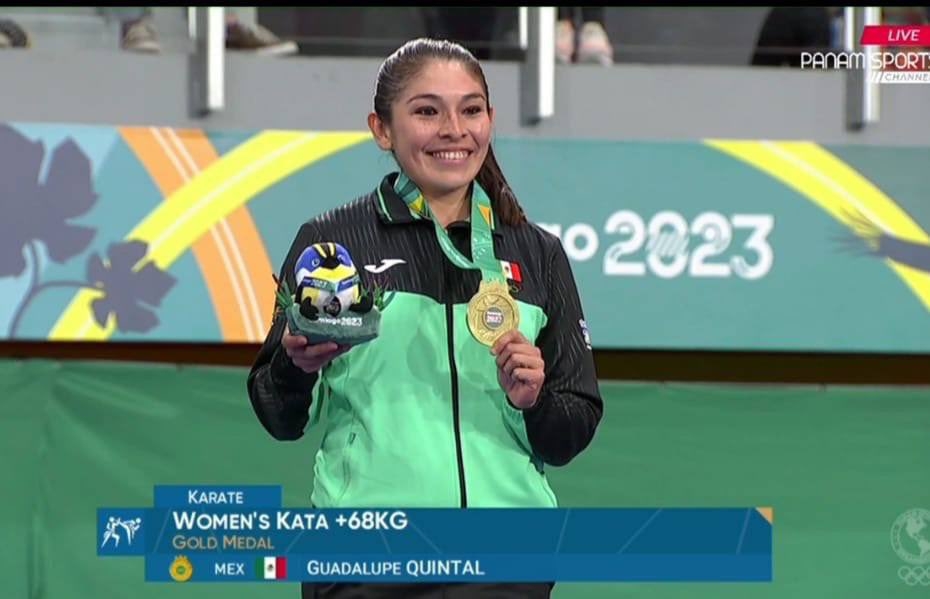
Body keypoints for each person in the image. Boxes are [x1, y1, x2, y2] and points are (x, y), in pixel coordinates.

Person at [247, 37, 604, 599]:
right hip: (365, 554)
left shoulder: (537, 254)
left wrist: (533, 400)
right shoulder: (332, 245)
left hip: (506, 557)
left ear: (490, 119)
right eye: (426, 110)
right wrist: (296, 367)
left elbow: (570, 432)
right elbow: (279, 415)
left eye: (471, 109)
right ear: (382, 129)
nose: (453, 129)